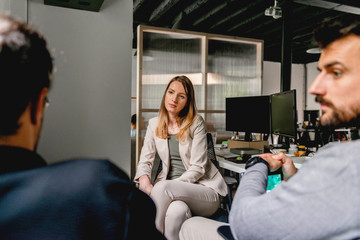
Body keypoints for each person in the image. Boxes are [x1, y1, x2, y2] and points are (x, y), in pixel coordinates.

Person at [179, 15, 360, 240]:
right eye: (320, 71)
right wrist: (294, 178)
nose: (315, 87)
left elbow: (244, 224)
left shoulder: (347, 161)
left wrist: (257, 164)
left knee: (190, 226)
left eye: (336, 72)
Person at [0, 14, 164, 240]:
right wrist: (144, 177)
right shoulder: (101, 192)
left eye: (181, 95)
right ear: (39, 105)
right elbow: (146, 159)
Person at [134, 75, 228, 240]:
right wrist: (145, 182)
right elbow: (145, 161)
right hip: (171, 193)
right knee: (177, 211)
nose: (174, 99)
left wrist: (165, 187)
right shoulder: (154, 123)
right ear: (165, 94)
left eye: (181, 96)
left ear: (188, 101)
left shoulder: (196, 122)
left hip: (203, 190)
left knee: (163, 188)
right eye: (171, 92)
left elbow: (198, 168)